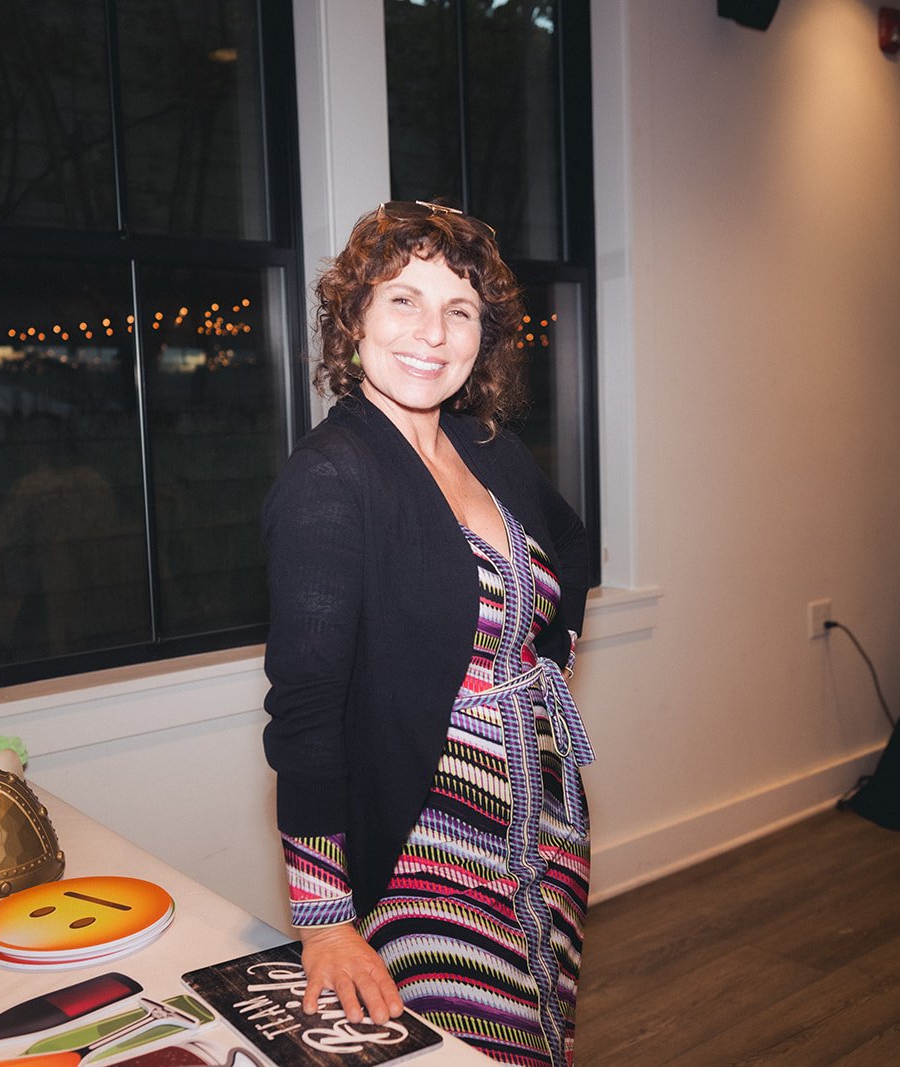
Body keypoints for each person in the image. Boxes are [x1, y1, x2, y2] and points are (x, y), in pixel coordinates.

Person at [261, 200, 595, 1067]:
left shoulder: (489, 447)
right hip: (430, 850)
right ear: (355, 317)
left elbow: (573, 553)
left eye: (460, 310)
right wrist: (326, 921)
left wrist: (545, 656)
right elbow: (306, 718)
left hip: (547, 826)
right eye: (403, 300)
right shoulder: (332, 479)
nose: (432, 334)